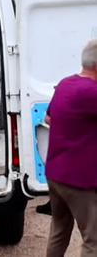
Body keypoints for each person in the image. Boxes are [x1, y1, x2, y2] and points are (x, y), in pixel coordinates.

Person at [45, 40, 97, 257]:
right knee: (93, 240)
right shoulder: (91, 92)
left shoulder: (66, 83)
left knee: (59, 230)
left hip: (56, 175)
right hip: (79, 182)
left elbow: (49, 118)